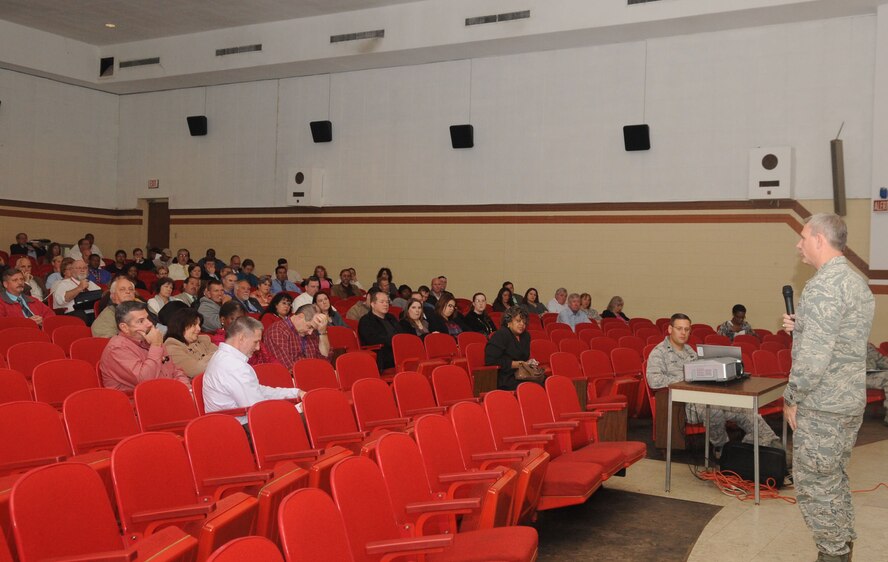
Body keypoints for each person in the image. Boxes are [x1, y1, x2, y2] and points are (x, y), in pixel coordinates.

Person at [781, 213, 874, 562]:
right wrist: (802, 327)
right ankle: (843, 548)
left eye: (803, 237)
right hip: (848, 401)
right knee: (833, 479)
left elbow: (814, 359)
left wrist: (791, 397)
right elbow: (842, 339)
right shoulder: (855, 281)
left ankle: (832, 554)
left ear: (819, 239)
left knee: (815, 486)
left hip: (822, 405)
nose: (799, 244)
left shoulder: (823, 286)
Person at [647, 313, 780, 453]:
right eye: (679, 328)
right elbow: (654, 381)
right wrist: (687, 376)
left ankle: (768, 443)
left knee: (744, 408)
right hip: (683, 406)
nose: (683, 333)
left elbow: (700, 374)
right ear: (669, 329)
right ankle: (722, 449)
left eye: (687, 329)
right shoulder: (659, 353)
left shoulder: (689, 350)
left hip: (705, 397)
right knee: (714, 410)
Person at [202, 316, 303, 426]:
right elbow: (259, 411)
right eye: (256, 342)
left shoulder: (222, 357)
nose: (258, 348)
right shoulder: (234, 366)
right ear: (241, 338)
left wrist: (294, 393)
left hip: (232, 425)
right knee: (307, 416)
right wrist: (296, 409)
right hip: (240, 429)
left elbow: (258, 391)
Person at [99, 301, 190, 392]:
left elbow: (175, 370)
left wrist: (187, 389)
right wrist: (156, 345)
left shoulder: (149, 338)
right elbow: (146, 381)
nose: (149, 324)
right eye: (141, 321)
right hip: (136, 402)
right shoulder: (116, 349)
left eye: (147, 318)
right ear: (124, 327)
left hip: (166, 392)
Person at [262, 303, 330, 369]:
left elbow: (325, 359)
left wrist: (322, 332)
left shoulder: (311, 332)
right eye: (310, 327)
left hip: (314, 375)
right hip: (294, 378)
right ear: (300, 316)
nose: (310, 332)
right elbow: (287, 368)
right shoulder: (277, 331)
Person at [485, 306, 534, 391]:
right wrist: (516, 364)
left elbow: (523, 358)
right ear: (508, 322)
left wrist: (528, 363)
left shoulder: (526, 336)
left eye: (524, 322)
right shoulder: (500, 335)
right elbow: (490, 361)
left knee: (545, 380)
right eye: (518, 321)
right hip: (504, 377)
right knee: (532, 386)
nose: (522, 324)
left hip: (521, 374)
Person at [163, 307, 218, 378]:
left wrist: (203, 361)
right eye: (194, 324)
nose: (199, 329)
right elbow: (196, 371)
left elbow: (222, 355)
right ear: (181, 326)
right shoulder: (171, 347)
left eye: (199, 325)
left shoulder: (203, 339)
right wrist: (215, 356)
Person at [357, 289, 403, 371]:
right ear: (373, 304)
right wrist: (394, 341)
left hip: (398, 350)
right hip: (382, 355)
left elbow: (401, 334)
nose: (386, 304)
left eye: (387, 302)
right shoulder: (366, 320)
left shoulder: (391, 318)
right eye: (382, 302)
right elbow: (372, 340)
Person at [866, 343, 888, 426]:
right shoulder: (839, 344)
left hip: (874, 374)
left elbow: (881, 361)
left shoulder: (867, 346)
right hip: (856, 377)